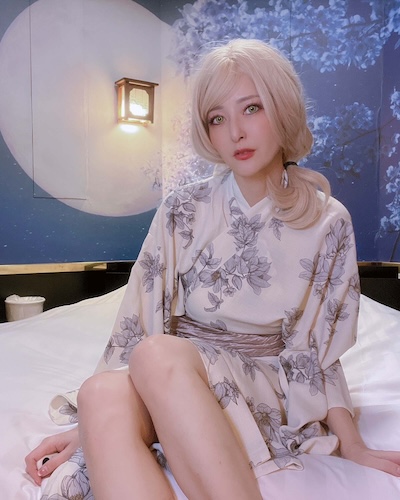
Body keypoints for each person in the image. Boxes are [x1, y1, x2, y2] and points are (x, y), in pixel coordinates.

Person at [25, 39, 400, 499]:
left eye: (252, 108)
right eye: (217, 118)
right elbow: (140, 317)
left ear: (282, 109)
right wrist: (88, 428)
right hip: (171, 377)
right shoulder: (183, 207)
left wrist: (353, 445)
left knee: (156, 354)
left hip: (262, 385)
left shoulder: (328, 220)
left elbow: (319, 352)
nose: (235, 132)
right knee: (99, 393)